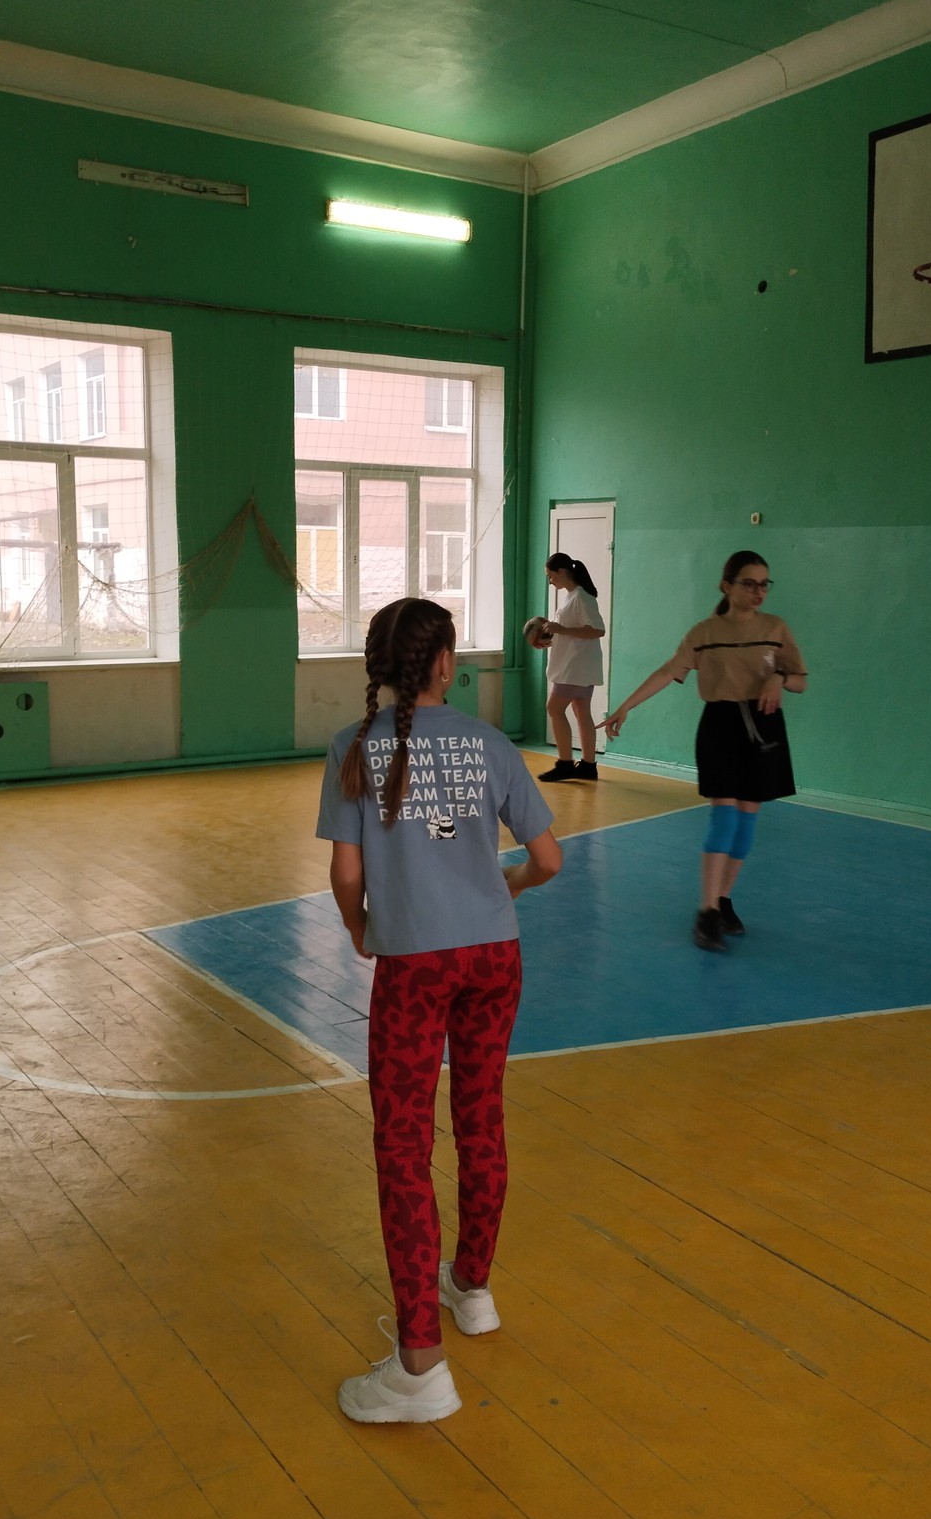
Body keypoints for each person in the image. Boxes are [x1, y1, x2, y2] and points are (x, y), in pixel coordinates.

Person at [317, 597, 562, 1423]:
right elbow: (548, 858)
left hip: (415, 965)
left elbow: (347, 874)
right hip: (495, 956)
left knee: (403, 1147)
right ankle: (474, 1286)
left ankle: (420, 1362)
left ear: (381, 667)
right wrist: (505, 889)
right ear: (447, 663)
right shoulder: (490, 743)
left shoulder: (354, 746)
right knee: (481, 1116)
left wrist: (359, 927)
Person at [603, 550, 806, 952]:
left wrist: (779, 678)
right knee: (724, 818)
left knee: (746, 822)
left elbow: (800, 679)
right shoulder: (705, 633)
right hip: (721, 728)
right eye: (749, 583)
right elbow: (668, 671)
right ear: (726, 586)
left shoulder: (776, 628)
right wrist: (626, 706)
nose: (759, 591)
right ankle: (707, 912)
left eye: (764, 583)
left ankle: (724, 900)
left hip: (764, 728)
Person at [537, 552, 606, 783]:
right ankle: (588, 766)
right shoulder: (572, 597)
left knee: (554, 709)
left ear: (562, 572)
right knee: (581, 711)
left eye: (550, 575)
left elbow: (597, 630)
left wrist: (561, 630)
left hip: (574, 667)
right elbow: (573, 633)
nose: (550, 581)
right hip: (578, 666)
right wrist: (552, 639)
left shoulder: (582, 597)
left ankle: (565, 764)